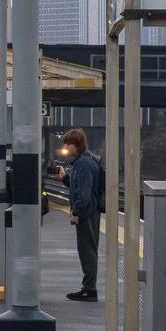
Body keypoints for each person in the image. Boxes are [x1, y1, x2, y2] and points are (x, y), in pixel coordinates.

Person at [55, 128, 103, 301]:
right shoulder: (83, 162)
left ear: (78, 145)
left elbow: (84, 193)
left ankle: (89, 289)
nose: (65, 147)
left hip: (87, 213)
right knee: (87, 249)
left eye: (69, 144)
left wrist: (78, 213)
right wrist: (65, 178)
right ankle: (88, 287)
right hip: (89, 212)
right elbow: (78, 187)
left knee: (87, 250)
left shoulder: (83, 164)